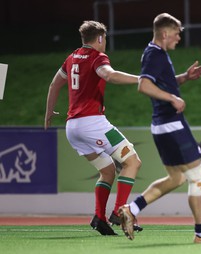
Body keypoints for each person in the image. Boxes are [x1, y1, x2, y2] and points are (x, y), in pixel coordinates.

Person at [117, 13, 201, 243]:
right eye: (177, 33)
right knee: (197, 176)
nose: (179, 38)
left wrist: (184, 78)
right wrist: (171, 97)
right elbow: (144, 84)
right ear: (165, 33)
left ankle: (132, 209)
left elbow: (160, 82)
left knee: (177, 177)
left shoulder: (157, 54)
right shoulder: (154, 54)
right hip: (171, 124)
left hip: (162, 125)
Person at [44, 20, 143, 236]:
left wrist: (49, 113)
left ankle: (99, 217)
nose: (105, 42)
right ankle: (119, 211)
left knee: (107, 171)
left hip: (72, 128)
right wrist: (140, 79)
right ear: (99, 38)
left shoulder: (71, 58)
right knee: (132, 161)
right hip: (92, 123)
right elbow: (109, 75)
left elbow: (54, 85)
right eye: (104, 38)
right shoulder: (97, 57)